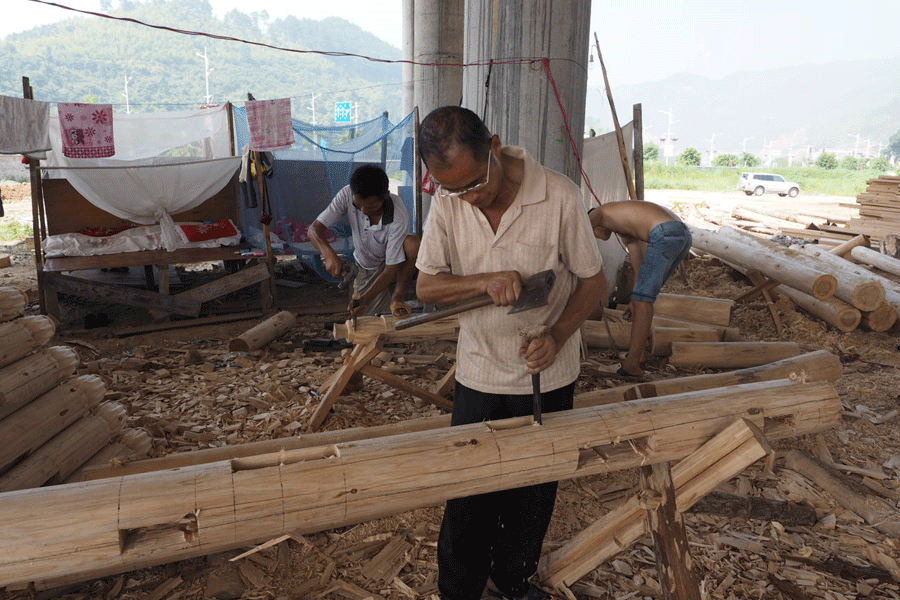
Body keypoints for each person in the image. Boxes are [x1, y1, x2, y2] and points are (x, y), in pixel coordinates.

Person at [415, 106, 606, 600]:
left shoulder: (559, 194)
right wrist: (483, 280)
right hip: (480, 370)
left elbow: (592, 281)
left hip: (548, 371)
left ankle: (512, 578)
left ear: (495, 146)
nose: (468, 197)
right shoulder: (449, 200)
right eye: (453, 188)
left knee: (535, 490)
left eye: (475, 183)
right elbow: (427, 288)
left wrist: (558, 335)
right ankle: (459, 590)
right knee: (470, 494)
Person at [588, 200, 692, 377]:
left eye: (595, 233)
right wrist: (633, 301)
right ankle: (639, 354)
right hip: (680, 235)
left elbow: (581, 232)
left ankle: (632, 364)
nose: (598, 237)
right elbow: (638, 265)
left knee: (643, 300)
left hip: (665, 232)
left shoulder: (598, 213)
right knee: (642, 299)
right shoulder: (627, 229)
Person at [309, 164, 420, 318]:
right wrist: (328, 254)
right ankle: (372, 294)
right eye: (358, 205)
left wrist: (366, 299)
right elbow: (314, 230)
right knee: (361, 317)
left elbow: (390, 269)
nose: (363, 211)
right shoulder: (347, 194)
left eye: (372, 206)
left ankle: (397, 296)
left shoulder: (398, 215)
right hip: (366, 264)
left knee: (413, 244)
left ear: (386, 195)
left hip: (393, 264)